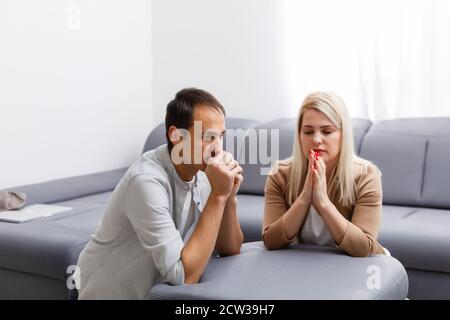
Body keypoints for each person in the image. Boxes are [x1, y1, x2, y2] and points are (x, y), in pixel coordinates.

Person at [74, 88, 244, 299]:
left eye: (220, 137)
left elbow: (230, 249)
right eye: (208, 137)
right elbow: (185, 277)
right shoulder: (145, 181)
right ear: (176, 136)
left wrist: (229, 197)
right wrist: (218, 197)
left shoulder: (203, 172)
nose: (218, 149)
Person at [262, 91, 387, 257]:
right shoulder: (280, 174)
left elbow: (363, 248)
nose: (316, 140)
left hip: (357, 266)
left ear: (343, 135)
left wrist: (323, 202)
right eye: (308, 132)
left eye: (327, 131)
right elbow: (271, 242)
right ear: (299, 136)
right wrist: (305, 198)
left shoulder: (366, 175)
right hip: (307, 264)